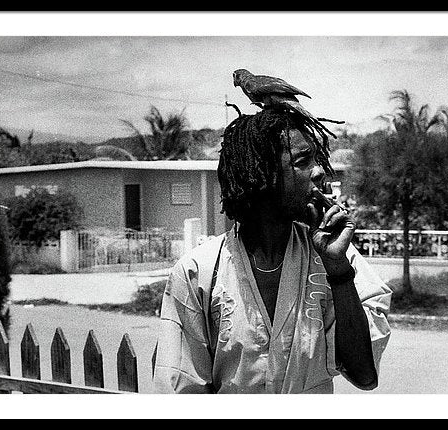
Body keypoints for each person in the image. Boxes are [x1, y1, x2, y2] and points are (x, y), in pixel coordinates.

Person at [153, 108, 392, 394]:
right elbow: (181, 390)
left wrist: (339, 273)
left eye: (317, 159)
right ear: (262, 173)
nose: (319, 172)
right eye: (303, 161)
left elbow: (365, 376)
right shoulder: (199, 271)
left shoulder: (336, 257)